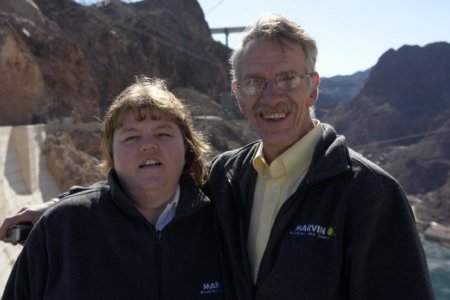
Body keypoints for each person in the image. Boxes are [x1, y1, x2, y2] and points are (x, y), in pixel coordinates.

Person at [1, 13, 434, 300]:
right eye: (254, 82)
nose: (271, 96)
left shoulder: (369, 193)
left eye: (287, 78)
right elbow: (153, 181)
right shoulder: (231, 175)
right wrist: (60, 208)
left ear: (314, 86)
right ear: (236, 94)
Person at [2, 77, 231, 299]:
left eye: (163, 133)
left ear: (188, 147)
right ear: (111, 153)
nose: (148, 145)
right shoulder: (61, 228)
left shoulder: (224, 226)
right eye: (131, 137)